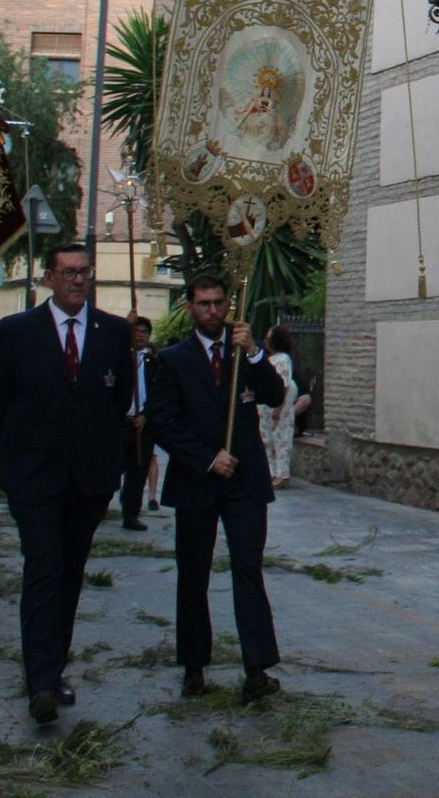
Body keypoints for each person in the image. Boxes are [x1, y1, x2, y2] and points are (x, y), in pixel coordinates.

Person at [0, 243, 135, 724]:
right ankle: (40, 682)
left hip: (88, 480)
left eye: (84, 272)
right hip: (34, 478)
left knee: (69, 573)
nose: (77, 280)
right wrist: (18, 455)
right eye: (67, 273)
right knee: (43, 569)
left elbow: (119, 400)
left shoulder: (113, 333)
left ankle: (54, 667)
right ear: (49, 278)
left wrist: (106, 463)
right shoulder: (18, 332)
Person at [146, 272, 287, 702]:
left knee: (248, 568)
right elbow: (163, 422)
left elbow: (275, 395)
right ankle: (193, 665)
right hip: (196, 481)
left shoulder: (243, 353)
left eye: (219, 303)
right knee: (194, 573)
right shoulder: (172, 360)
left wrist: (256, 353)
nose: (213, 311)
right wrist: (208, 458)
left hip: (244, 481)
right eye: (204, 304)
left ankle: (257, 668)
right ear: (189, 307)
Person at [119, 315, 156, 530]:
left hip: (143, 423)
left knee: (138, 469)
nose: (140, 335)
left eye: (145, 332)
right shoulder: (121, 358)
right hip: (121, 421)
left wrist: (147, 415)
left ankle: (131, 512)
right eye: (137, 330)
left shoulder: (154, 363)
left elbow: (159, 394)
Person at [260, 325, 297, 487]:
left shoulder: (283, 359)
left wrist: (278, 407)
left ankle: (281, 475)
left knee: (281, 440)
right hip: (267, 410)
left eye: (269, 338)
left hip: (278, 410)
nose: (266, 342)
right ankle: (271, 472)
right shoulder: (272, 359)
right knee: (268, 440)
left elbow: (284, 384)